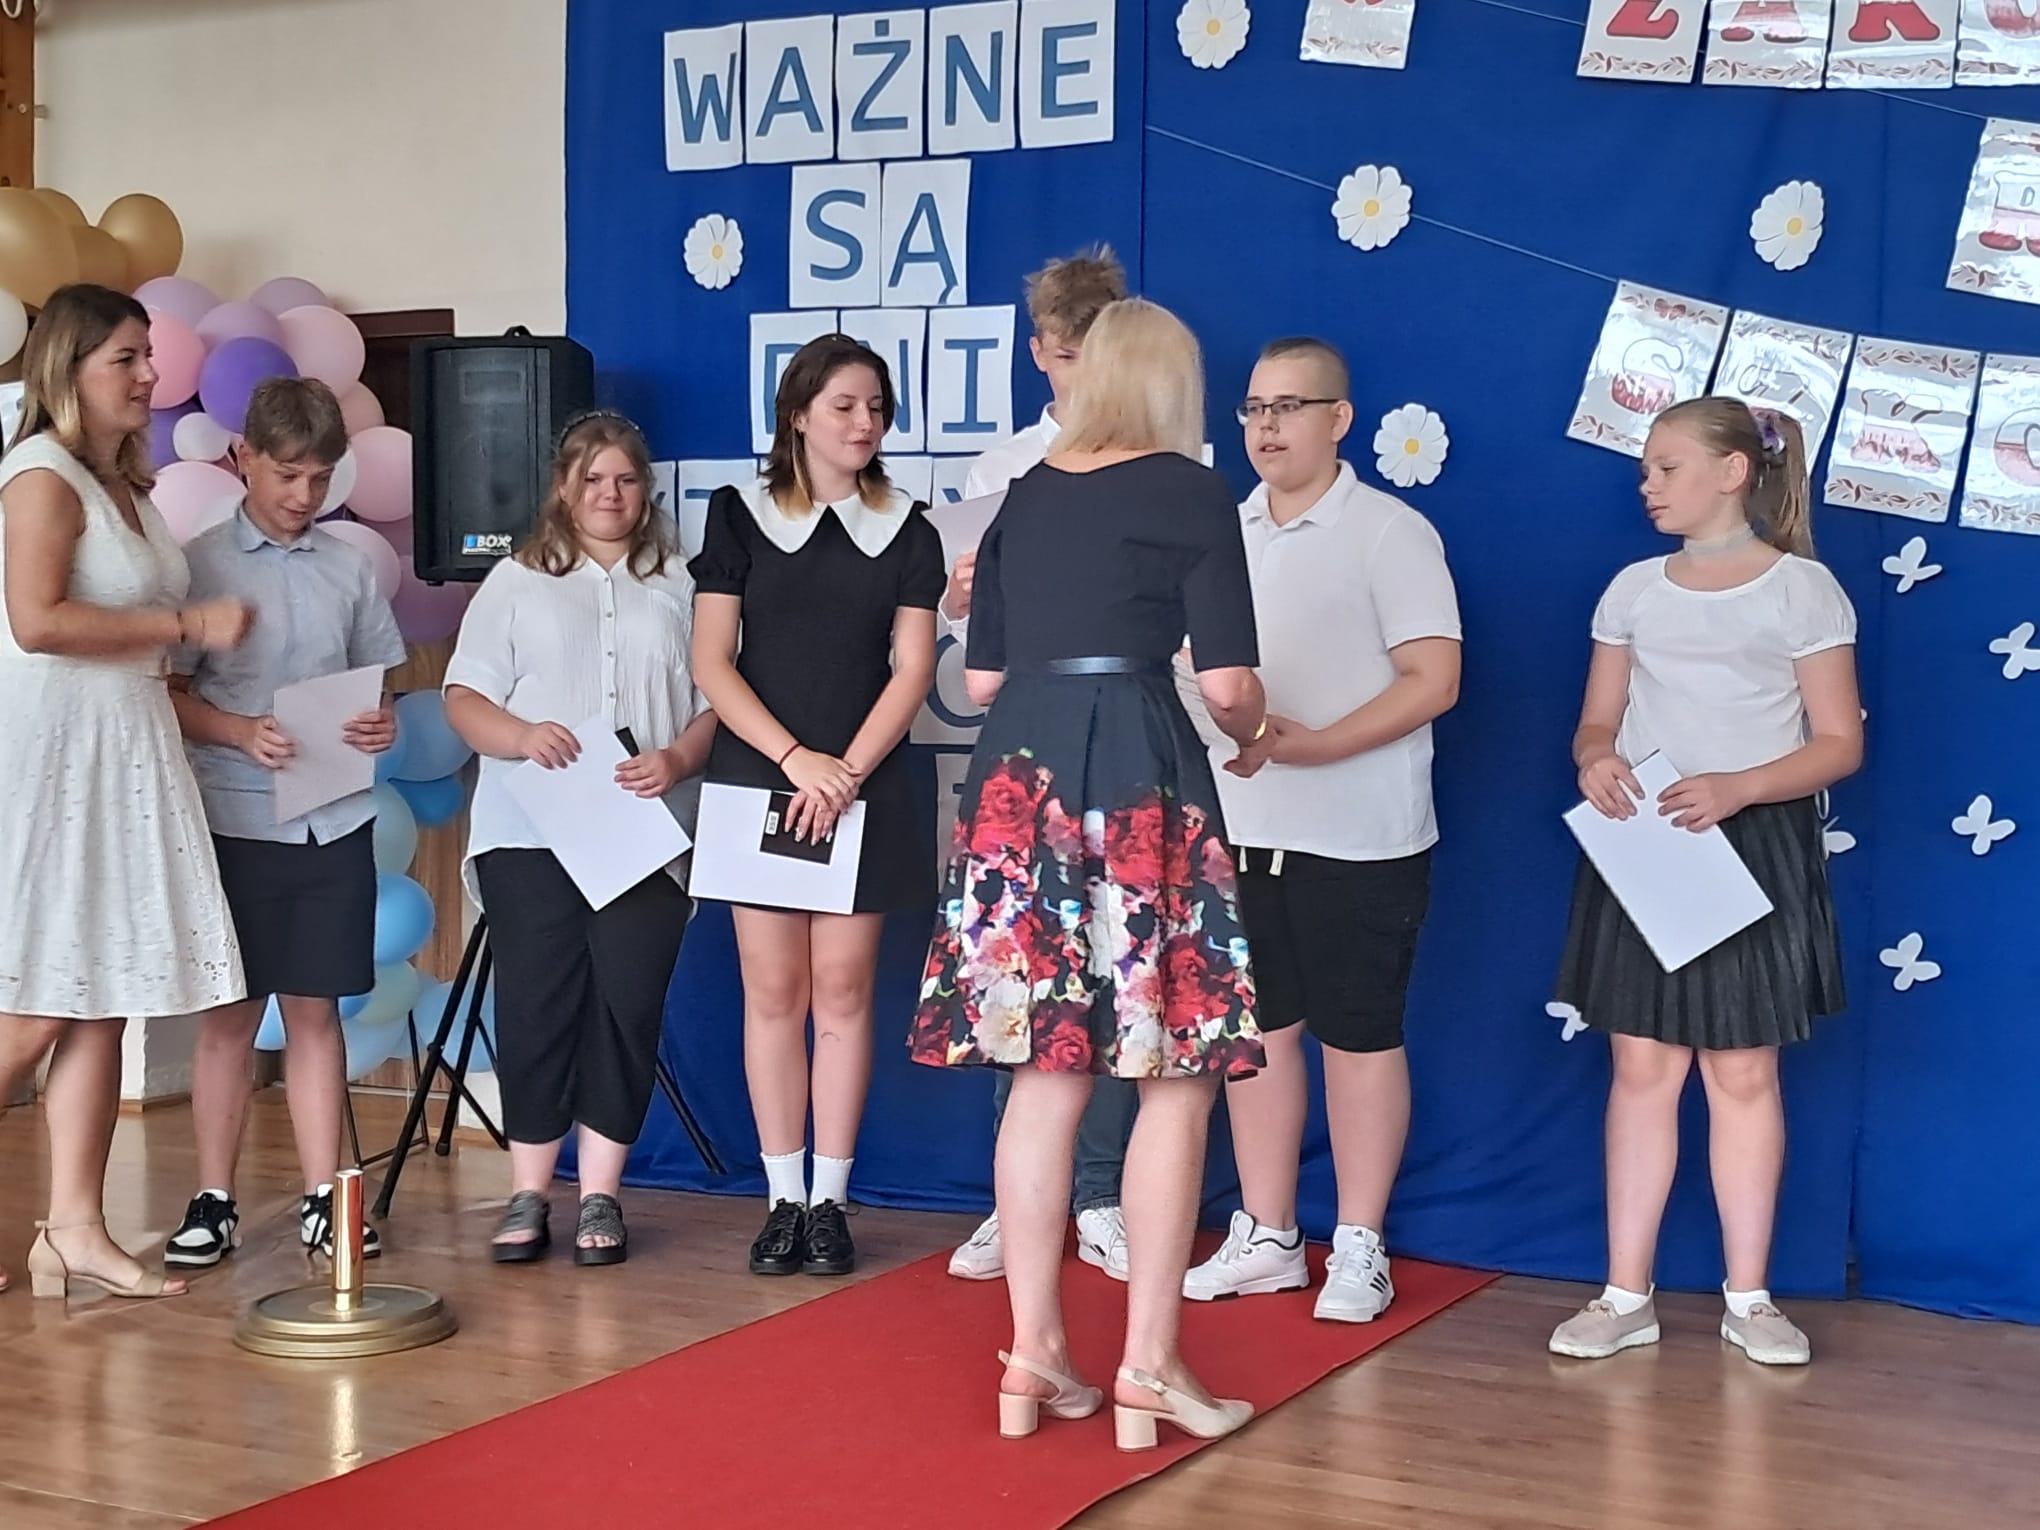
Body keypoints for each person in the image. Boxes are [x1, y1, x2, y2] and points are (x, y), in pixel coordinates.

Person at [909, 299, 1268, 1450]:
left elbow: (977, 682)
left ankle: (1034, 1357)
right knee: (1176, 1073)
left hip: (1019, 774)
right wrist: (1258, 727)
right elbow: (1228, 687)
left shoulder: (1025, 494)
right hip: (1138, 767)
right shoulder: (1191, 491)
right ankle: (1149, 1366)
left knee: (1041, 1069)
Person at [1547, 397, 1860, 1367]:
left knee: (1742, 1072)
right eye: (1645, 469)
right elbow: (1595, 722)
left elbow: (1838, 742)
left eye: (1666, 467)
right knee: (1642, 1070)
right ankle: (1624, 1293)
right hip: (1650, 845)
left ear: (1733, 472)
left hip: (1752, 845)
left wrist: (1740, 787)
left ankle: (1750, 1298)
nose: (1648, 485)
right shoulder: (1633, 590)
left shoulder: (1801, 590)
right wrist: (1596, 760)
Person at [1181, 338, 1461, 1322]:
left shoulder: (1390, 531)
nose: (1267, 427)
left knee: (1359, 1034)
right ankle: (1268, 1233)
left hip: (1363, 835)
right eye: (1254, 409)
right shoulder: (1220, 531)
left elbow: (1435, 679)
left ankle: (1359, 1241)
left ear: (1339, 420)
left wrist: (1316, 746)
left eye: (1289, 407)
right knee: (1257, 1036)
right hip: (1242, 825)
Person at [0, 283, 250, 1300]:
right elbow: (36, 621)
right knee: (32, 1010)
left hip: (127, 747)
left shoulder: (127, 486)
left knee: (100, 996)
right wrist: (186, 628)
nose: (151, 374)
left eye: (149, 355)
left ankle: (75, 1228)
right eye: (127, 358)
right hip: (58, 755)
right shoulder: (40, 474)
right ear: (68, 370)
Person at [690, 336, 943, 1278]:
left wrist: (843, 774)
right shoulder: (739, 514)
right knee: (771, 992)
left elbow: (912, 669)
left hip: (862, 785)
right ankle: (781, 1199)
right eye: (844, 405)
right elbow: (711, 660)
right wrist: (797, 761)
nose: (864, 423)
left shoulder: (908, 528)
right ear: (797, 414)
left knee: (842, 990)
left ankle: (831, 1200)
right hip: (762, 774)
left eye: (876, 407)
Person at [445, 411, 716, 1265]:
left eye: (626, 480)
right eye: (593, 479)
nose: (610, 494)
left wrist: (677, 759)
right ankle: (530, 1191)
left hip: (644, 833)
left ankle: (602, 1194)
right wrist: (521, 735)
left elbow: (716, 702)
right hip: (530, 831)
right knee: (536, 1006)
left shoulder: (682, 584)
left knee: (626, 1007)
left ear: (646, 491)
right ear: (564, 488)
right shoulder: (515, 582)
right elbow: (463, 698)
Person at [163, 378, 407, 1269]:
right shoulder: (197, 566)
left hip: (334, 819)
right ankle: (213, 1199)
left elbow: (379, 686)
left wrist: (381, 724)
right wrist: (238, 731)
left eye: (321, 478)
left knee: (316, 1010)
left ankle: (325, 1198)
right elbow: (165, 694)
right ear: (244, 460)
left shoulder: (349, 567)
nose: (305, 495)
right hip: (235, 817)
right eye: (288, 474)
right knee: (231, 1015)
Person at [941, 245, 1136, 1284]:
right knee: (1016, 968)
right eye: (1064, 354)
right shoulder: (1003, 469)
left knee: (1111, 967)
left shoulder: (1161, 457)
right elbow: (970, 638)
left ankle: (1099, 1193)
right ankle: (1016, 1199)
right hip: (1025, 737)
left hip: (1126, 739)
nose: (1079, 372)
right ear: (1038, 354)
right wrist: (963, 597)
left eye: (1097, 352)